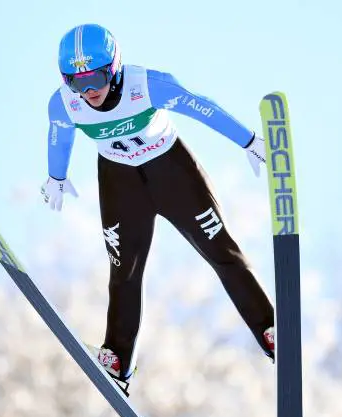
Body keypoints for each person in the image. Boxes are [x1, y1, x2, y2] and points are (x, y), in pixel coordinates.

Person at [43, 23, 275, 394]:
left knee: (220, 251)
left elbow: (203, 109)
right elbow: (60, 135)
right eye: (76, 83)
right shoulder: (63, 103)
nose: (89, 92)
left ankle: (269, 329)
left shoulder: (148, 85)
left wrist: (247, 140)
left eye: (97, 79)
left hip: (171, 172)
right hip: (121, 183)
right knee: (123, 270)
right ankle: (118, 358)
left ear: (115, 68)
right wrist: (56, 177)